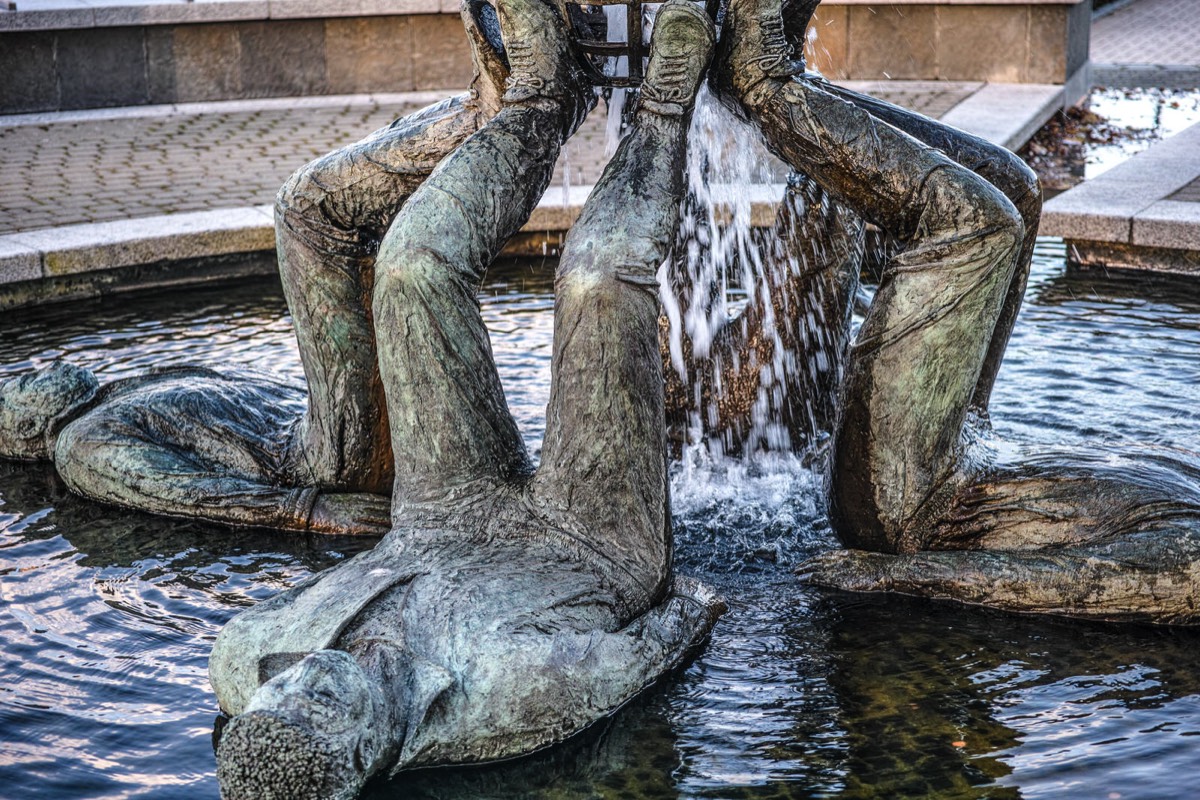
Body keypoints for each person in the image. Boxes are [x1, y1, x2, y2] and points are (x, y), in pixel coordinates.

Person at [209, 3, 724, 799]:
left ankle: (539, 102)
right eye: (322, 700)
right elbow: (663, 639)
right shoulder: (515, 697)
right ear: (365, 756)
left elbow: (272, 648)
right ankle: (663, 112)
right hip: (588, 543)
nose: (309, 671)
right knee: (597, 282)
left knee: (412, 268)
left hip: (442, 512)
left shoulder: (247, 659)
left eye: (286, 689)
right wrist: (687, 593)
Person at [718, 0, 1200, 625]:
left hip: (911, 501)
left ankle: (764, 86)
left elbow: (1053, 584)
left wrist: (889, 576)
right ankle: (793, 87)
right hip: (966, 443)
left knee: (979, 227)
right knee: (1015, 190)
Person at [0, 2, 516, 536]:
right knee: (310, 213)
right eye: (15, 388)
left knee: (368, 220)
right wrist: (306, 510)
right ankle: (492, 116)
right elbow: (192, 495)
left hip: (338, 429)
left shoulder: (118, 394)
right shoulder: (81, 445)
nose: (34, 373)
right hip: (328, 459)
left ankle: (502, 111)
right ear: (21, 428)